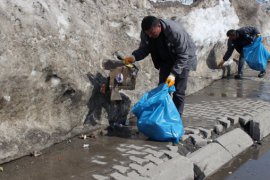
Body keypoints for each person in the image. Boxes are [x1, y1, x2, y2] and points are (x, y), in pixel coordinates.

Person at [123, 15, 197, 117]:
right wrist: (133, 57)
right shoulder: (147, 32)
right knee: (162, 90)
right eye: (147, 33)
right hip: (165, 61)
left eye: (152, 33)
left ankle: (176, 119)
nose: (149, 36)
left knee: (178, 92)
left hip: (183, 60)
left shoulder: (175, 31)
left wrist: (173, 74)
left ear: (159, 26)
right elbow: (145, 49)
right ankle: (162, 117)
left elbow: (183, 55)